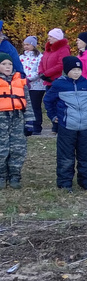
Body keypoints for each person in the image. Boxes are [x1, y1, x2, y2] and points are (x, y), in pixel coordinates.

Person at [44, 56, 87, 192]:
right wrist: (53, 116)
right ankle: (65, 183)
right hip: (67, 126)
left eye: (79, 69)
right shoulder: (58, 84)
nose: (76, 72)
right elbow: (48, 101)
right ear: (67, 70)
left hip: (85, 126)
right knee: (66, 156)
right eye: (73, 69)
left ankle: (86, 182)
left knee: (86, 155)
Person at [0, 52, 34, 189]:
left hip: (17, 118)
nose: (7, 67)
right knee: (2, 148)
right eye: (3, 64)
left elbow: (28, 103)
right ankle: (1, 176)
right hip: (1, 119)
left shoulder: (20, 82)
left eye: (10, 64)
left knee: (17, 148)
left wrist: (30, 121)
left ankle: (15, 176)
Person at [39, 28, 71, 133]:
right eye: (49, 36)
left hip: (57, 80)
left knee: (58, 103)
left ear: (57, 38)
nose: (49, 38)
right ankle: (54, 122)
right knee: (49, 102)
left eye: (51, 36)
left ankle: (58, 126)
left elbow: (61, 64)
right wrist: (41, 73)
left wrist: (47, 73)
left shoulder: (63, 49)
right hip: (48, 80)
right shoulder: (48, 50)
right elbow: (42, 61)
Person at [19, 36, 45, 134]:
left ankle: (37, 126)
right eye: (24, 44)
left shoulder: (40, 57)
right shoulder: (21, 57)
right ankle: (26, 125)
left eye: (28, 44)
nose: (26, 46)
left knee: (35, 106)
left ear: (33, 45)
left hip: (37, 86)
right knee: (24, 106)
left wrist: (29, 79)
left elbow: (39, 71)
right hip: (23, 85)